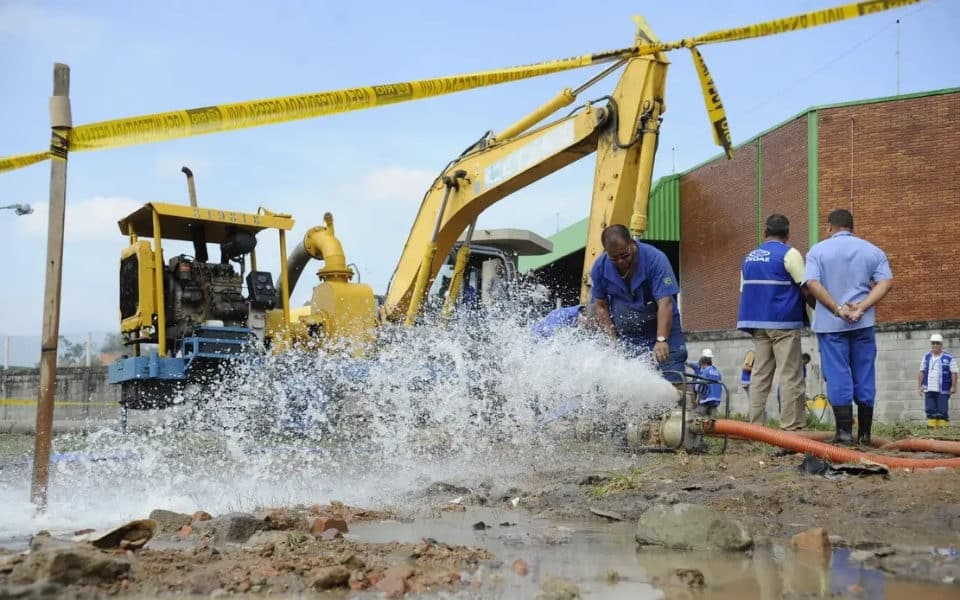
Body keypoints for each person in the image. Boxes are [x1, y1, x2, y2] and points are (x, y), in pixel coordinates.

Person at [804, 208, 893, 445]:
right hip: (862, 324)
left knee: (838, 376)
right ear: (852, 228)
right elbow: (886, 282)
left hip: (831, 326)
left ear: (829, 227)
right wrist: (862, 307)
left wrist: (837, 309)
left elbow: (811, 283)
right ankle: (865, 435)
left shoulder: (817, 252)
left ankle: (843, 434)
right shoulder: (872, 251)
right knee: (865, 374)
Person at [737, 214, 809, 431]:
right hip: (783, 322)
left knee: (759, 375)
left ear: (765, 232)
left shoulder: (749, 257)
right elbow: (805, 285)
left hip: (757, 324)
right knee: (790, 375)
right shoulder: (790, 253)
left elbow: (744, 290)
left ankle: (755, 427)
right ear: (788, 235)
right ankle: (791, 426)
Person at [590, 224, 688, 385]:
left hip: (663, 328)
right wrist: (612, 338)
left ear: (631, 244)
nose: (621, 261)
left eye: (624, 255)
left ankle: (682, 407)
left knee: (673, 373)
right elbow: (600, 306)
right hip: (629, 335)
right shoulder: (599, 268)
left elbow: (665, 302)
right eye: (614, 258)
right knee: (631, 382)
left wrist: (662, 339)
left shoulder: (655, 259)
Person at [918, 333, 958, 428]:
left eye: (937, 343)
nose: (935, 345)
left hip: (943, 390)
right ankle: (931, 433)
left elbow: (954, 373)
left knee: (942, 411)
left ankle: (942, 432)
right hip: (929, 389)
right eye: (933, 343)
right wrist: (919, 386)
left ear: (941, 345)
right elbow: (921, 372)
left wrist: (953, 386)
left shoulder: (948, 358)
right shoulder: (926, 357)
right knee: (930, 410)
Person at [686, 348, 723, 416]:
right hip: (716, 398)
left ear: (703, 363)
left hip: (705, 396)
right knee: (713, 417)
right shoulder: (716, 371)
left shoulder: (705, 370)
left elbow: (700, 385)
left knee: (698, 414)